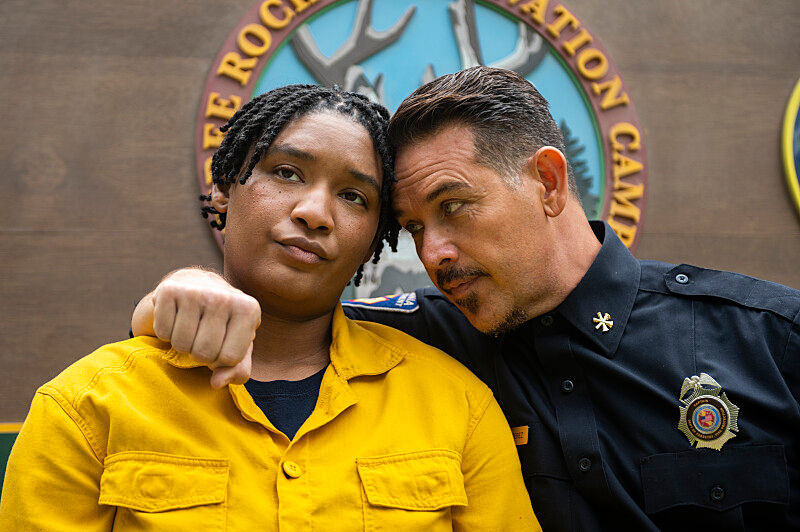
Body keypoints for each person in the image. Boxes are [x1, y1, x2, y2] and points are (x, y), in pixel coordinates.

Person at [132, 67, 798, 531]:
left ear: (547, 181)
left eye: (454, 208)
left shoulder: (768, 341)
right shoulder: (425, 342)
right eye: (415, 228)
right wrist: (188, 291)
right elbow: (285, 311)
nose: (434, 253)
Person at [0, 84, 538, 531]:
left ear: (374, 238)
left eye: (355, 197)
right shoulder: (86, 407)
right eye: (286, 173)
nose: (315, 212)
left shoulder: (458, 407)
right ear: (224, 191)